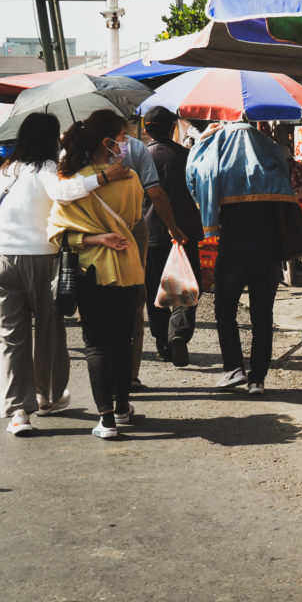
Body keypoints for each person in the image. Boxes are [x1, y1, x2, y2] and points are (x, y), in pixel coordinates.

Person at [1, 113, 131, 436]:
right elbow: (65, 193)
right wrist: (103, 179)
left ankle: (20, 413)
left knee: (12, 337)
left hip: (3, 257)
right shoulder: (46, 169)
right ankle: (48, 395)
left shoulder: (7, 170)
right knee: (49, 328)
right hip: (41, 258)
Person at [48, 110, 145, 440]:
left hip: (89, 268)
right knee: (122, 339)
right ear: (107, 142)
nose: (125, 143)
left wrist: (90, 237)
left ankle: (106, 420)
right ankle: (122, 407)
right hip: (127, 264)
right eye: (121, 137)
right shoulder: (130, 179)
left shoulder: (68, 179)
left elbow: (58, 233)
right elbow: (132, 218)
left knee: (95, 343)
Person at [186, 121, 293, 395]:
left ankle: (233, 368)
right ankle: (257, 379)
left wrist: (202, 142)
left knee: (225, 311)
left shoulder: (217, 171)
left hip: (233, 253)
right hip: (267, 256)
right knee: (262, 316)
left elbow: (192, 178)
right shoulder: (273, 166)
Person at [115, 122, 187, 389]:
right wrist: (175, 227)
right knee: (170, 287)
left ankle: (161, 343)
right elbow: (156, 191)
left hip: (121, 233)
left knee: (144, 289)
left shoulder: (80, 157)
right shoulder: (143, 150)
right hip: (147, 232)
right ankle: (175, 335)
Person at [142, 106, 204, 369]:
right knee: (186, 286)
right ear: (173, 128)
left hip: (149, 234)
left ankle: (162, 344)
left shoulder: (140, 158)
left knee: (155, 289)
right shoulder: (188, 156)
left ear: (146, 130)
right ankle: (178, 332)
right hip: (184, 233)